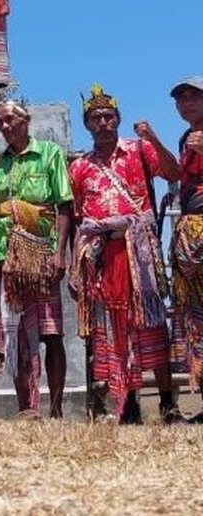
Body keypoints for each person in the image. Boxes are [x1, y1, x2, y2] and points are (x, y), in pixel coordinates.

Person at [69, 84, 181, 424]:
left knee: (149, 323)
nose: (103, 122)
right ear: (87, 124)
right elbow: (78, 218)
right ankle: (128, 404)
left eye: (108, 116)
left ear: (118, 119)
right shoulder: (80, 168)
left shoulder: (139, 150)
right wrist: (76, 266)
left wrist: (154, 137)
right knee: (111, 329)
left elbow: (173, 173)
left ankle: (167, 403)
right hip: (102, 256)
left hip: (139, 254)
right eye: (95, 118)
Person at [0, 100, 72, 419]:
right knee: (15, 332)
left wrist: (60, 253)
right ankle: (27, 407)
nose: (5, 127)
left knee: (51, 332)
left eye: (10, 120)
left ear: (26, 120)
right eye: (0, 122)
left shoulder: (49, 153)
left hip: (40, 251)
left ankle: (56, 407)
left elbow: (64, 206)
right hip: (5, 255)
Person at [169, 77, 203, 423]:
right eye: (180, 100)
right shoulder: (184, 139)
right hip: (192, 235)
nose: (186, 104)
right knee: (197, 321)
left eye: (193, 97)